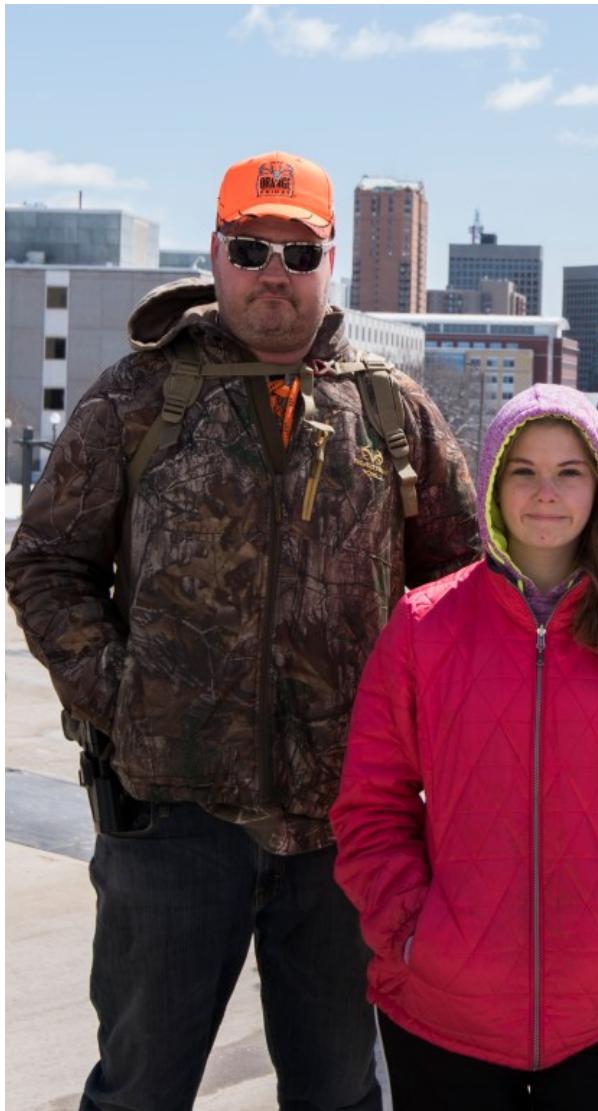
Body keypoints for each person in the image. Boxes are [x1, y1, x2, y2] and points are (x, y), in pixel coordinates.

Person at [4, 150, 479, 1110]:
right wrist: (124, 696)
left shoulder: (391, 410)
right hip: (171, 826)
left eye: (298, 254)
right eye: (253, 248)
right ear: (216, 254)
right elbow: (46, 562)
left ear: (328, 264)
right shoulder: (136, 398)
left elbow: (463, 588)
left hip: (349, 831)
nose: (274, 272)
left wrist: (413, 738)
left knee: (342, 1091)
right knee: (140, 1089)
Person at [331, 383, 598, 1110]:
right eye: (525, 470)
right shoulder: (424, 625)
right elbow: (370, 805)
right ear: (493, 483)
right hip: (446, 1016)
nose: (546, 492)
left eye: (569, 471)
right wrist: (412, 934)